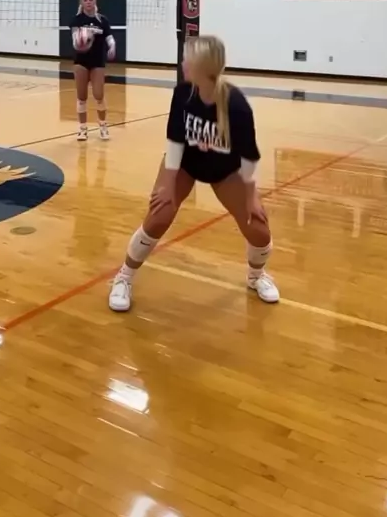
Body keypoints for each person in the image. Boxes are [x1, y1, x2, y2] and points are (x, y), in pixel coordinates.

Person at [109, 34, 279, 311]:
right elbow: (175, 142)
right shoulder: (183, 93)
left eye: (187, 59)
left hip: (225, 170)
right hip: (185, 164)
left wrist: (251, 198)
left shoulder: (236, 105)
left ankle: (256, 276)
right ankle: (124, 277)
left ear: (203, 67)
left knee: (259, 229)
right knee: (159, 214)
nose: (182, 64)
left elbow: (249, 156)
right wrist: (167, 184)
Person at [70, 0, 115, 141]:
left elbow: (109, 37)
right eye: (85, 0)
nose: (88, 2)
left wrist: (112, 46)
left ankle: (103, 126)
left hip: (97, 62)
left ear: (95, 1)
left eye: (91, 0)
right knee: (81, 97)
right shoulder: (77, 20)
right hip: (81, 61)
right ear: (82, 3)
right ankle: (82, 129)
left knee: (99, 95)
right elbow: (75, 42)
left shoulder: (102, 20)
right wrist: (83, 41)